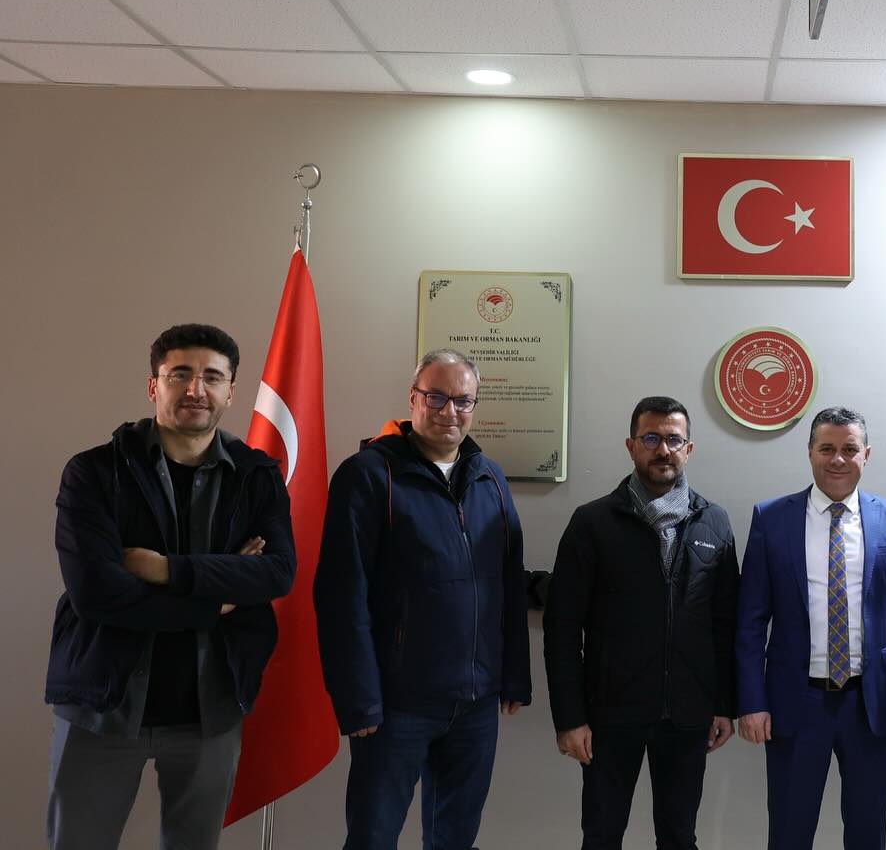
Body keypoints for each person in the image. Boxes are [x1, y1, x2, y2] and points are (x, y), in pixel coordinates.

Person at [44, 323, 296, 850]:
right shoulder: (94, 472)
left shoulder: (256, 475)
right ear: (153, 386)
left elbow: (276, 573)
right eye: (180, 374)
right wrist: (215, 602)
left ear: (231, 390)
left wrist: (166, 570)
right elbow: (97, 594)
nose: (195, 389)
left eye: (212, 377)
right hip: (103, 704)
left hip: (210, 708)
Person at [315, 348, 531, 850]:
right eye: (436, 397)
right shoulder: (368, 474)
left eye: (462, 400)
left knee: (455, 838)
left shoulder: (491, 478)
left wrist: (513, 677)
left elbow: (508, 583)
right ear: (413, 398)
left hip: (475, 701)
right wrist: (358, 699)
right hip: (396, 704)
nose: (449, 411)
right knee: (372, 838)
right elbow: (341, 595)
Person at [544, 396, 739, 850]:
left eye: (673, 439)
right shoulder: (593, 523)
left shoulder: (714, 522)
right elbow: (562, 627)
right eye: (651, 438)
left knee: (679, 837)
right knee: (601, 835)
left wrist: (724, 704)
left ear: (689, 449)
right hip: (610, 715)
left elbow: (725, 624)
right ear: (631, 445)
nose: (663, 449)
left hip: (687, 715)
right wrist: (570, 718)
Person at [735, 406, 886, 850]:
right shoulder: (771, 518)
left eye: (849, 449)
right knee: (789, 833)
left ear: (866, 454)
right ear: (810, 453)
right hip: (795, 701)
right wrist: (751, 702)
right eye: (826, 449)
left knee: (867, 834)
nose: (838, 459)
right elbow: (750, 622)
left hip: (870, 704)